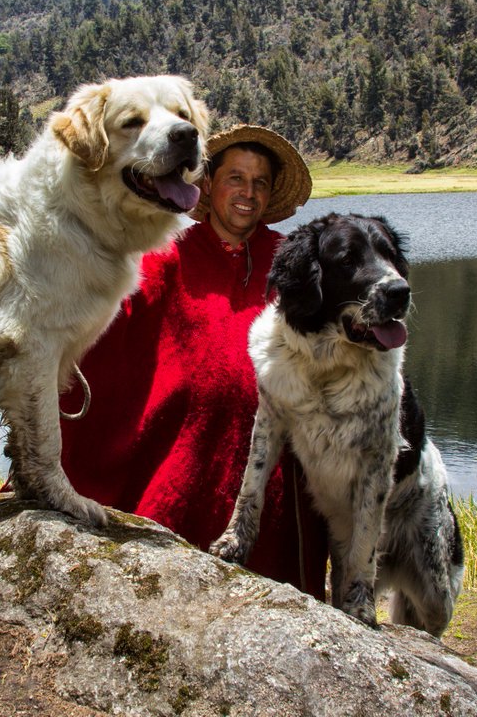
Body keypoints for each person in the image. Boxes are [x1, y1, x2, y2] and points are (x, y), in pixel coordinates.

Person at [56, 125, 328, 598]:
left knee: (269, 595)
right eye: (235, 178)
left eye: (260, 182)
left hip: (275, 461)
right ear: (207, 185)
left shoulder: (291, 261)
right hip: (190, 451)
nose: (248, 192)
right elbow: (117, 311)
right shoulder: (169, 255)